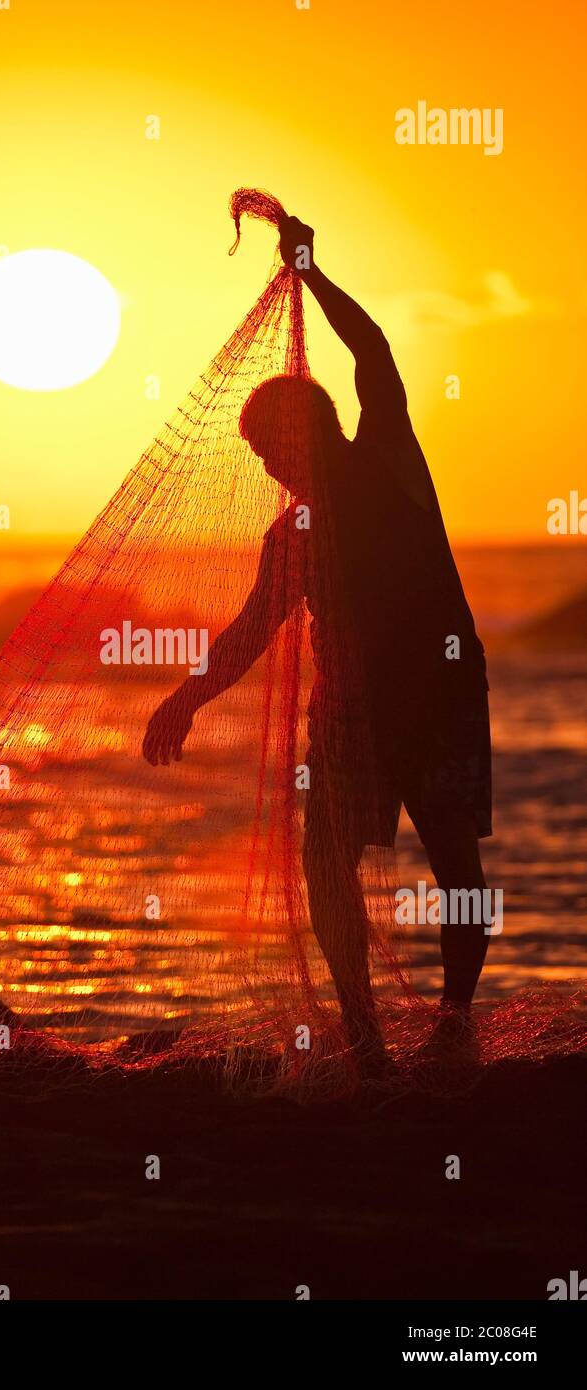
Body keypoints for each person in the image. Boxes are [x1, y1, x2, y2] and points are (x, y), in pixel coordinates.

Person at [142, 215, 492, 1068]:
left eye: (272, 446)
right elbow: (253, 630)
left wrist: (313, 272)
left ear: (313, 429)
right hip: (350, 709)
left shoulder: (387, 459)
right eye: (259, 454)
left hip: (436, 698)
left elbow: (375, 357)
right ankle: (363, 1029)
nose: (268, 466)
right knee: (324, 864)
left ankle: (451, 1019)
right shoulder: (290, 534)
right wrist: (184, 698)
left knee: (456, 864)